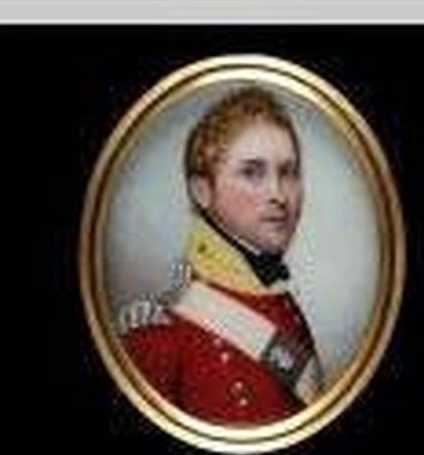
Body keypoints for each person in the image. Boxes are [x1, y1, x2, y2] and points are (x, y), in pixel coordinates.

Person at [119, 86, 325, 425]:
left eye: (287, 172)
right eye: (252, 172)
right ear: (202, 191)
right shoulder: (159, 334)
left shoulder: (284, 302)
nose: (279, 194)